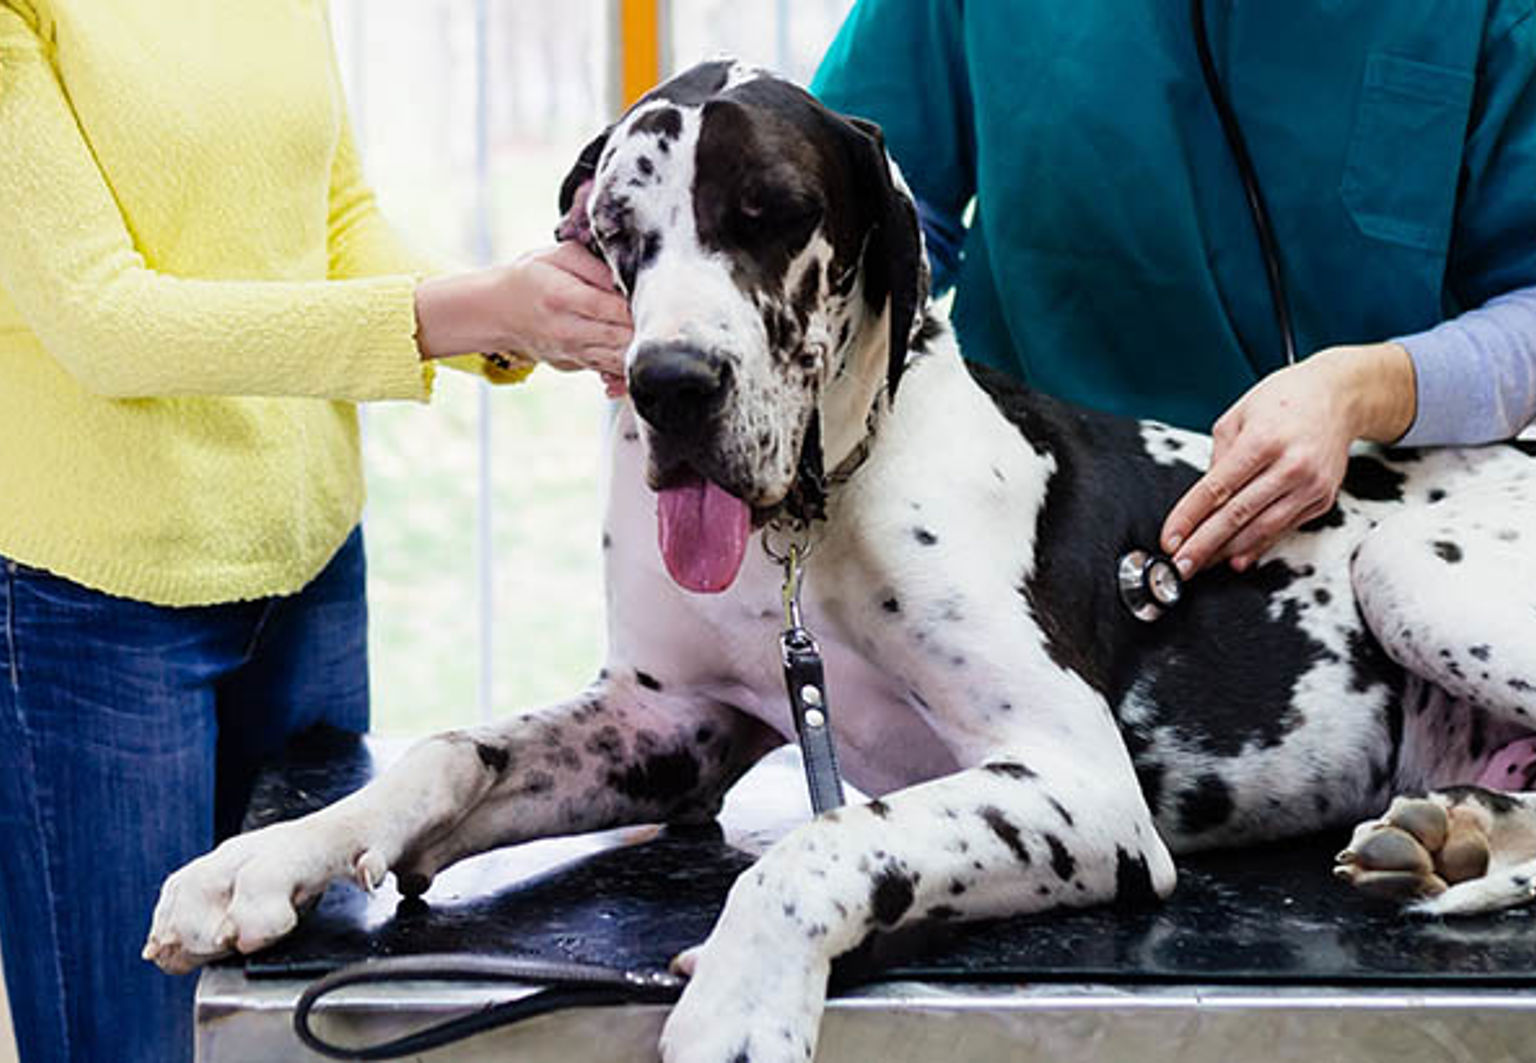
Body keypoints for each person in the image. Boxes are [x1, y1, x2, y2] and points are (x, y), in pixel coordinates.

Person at [0, 3, 630, 1061]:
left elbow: (335, 221)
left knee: (306, 1019)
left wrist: (512, 328)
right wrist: (473, 311)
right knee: (135, 1040)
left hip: (309, 567)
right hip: (92, 605)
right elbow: (107, 321)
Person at [812, 0, 1536, 577]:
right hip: (1014, 527)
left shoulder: (1484, 16)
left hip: (1358, 555)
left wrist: (1360, 391)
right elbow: (857, 206)